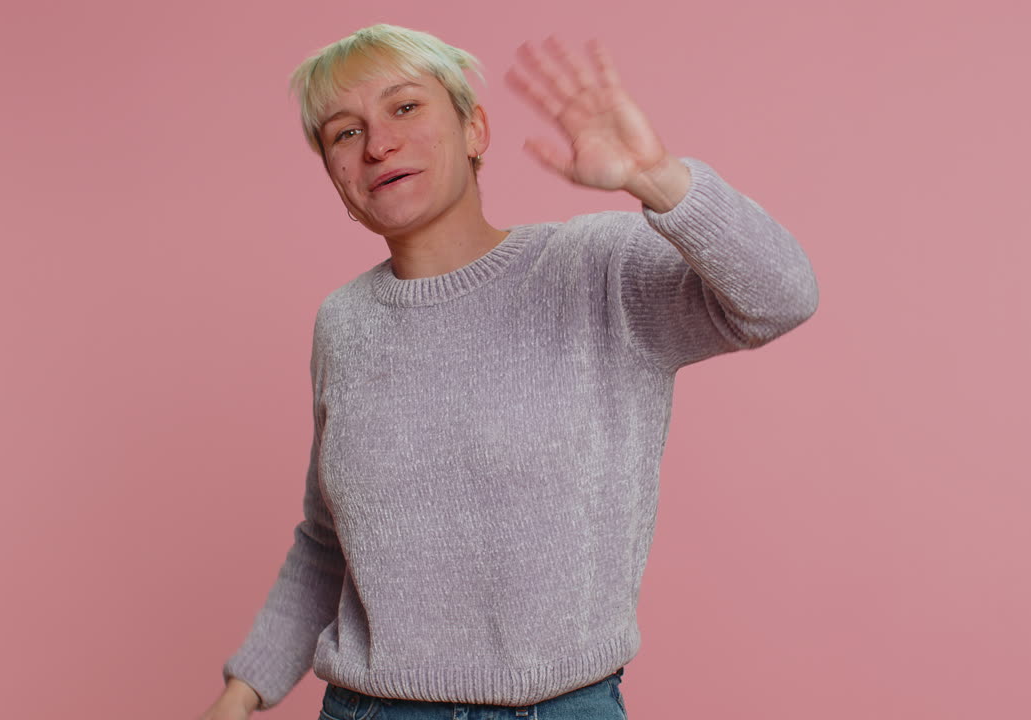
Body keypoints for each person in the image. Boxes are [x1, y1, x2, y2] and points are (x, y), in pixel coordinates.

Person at [198, 23, 818, 720]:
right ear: (334, 173)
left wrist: (660, 179)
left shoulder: (596, 270)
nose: (377, 145)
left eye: (406, 107)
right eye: (345, 132)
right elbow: (327, 541)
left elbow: (783, 297)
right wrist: (241, 691)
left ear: (474, 129)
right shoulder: (344, 324)